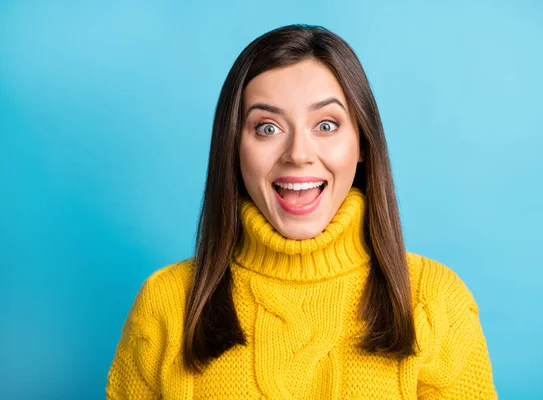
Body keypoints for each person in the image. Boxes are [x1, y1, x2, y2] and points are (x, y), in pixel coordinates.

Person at [106, 24, 497, 399]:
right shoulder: (166, 304)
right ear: (233, 148)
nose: (298, 154)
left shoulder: (436, 302)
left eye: (326, 125)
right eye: (267, 128)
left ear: (362, 143)